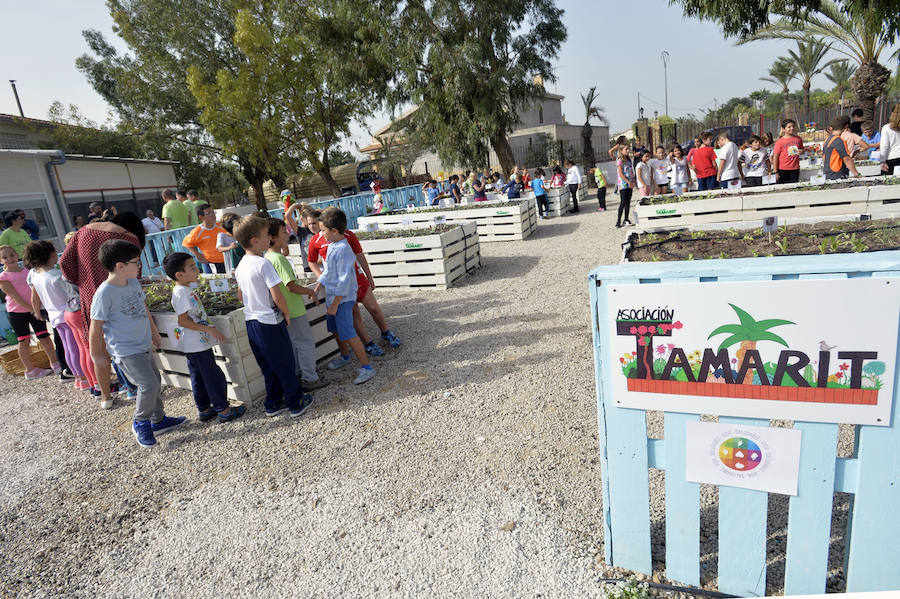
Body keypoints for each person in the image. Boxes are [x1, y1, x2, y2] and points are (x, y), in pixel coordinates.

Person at [90, 240, 185, 444]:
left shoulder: (132, 282)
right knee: (148, 384)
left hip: (143, 344)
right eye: (136, 262)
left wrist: (153, 332)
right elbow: (95, 327)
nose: (139, 266)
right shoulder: (104, 293)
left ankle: (157, 420)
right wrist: (96, 354)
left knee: (155, 381)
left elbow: (143, 308)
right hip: (125, 350)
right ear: (120, 266)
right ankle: (140, 422)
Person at [232, 215, 314, 417]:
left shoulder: (241, 265)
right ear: (255, 240)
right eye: (265, 235)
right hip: (270, 320)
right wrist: (286, 312)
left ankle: (273, 403)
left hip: (252, 321)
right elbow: (277, 295)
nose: (269, 238)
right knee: (285, 364)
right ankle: (296, 403)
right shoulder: (263, 264)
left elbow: (240, 294)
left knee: (268, 366)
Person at [59, 212, 146, 401]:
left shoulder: (83, 231)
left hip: (90, 297)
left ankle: (104, 395)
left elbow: (64, 264)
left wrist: (83, 282)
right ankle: (132, 387)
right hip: (120, 298)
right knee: (121, 345)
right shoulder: (128, 238)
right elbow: (135, 276)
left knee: (96, 350)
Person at [162, 252, 246, 423]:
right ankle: (224, 410)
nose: (197, 269)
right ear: (179, 275)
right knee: (213, 376)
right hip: (196, 344)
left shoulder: (184, 290)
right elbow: (183, 321)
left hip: (195, 344)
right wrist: (209, 329)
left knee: (199, 377)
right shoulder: (181, 293)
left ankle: (205, 409)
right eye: (192, 267)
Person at [307, 210, 401, 355]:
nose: (312, 226)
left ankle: (385, 332)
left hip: (357, 278)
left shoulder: (347, 235)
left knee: (373, 308)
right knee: (355, 314)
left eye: (315, 223)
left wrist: (369, 278)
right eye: (309, 224)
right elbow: (312, 262)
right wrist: (322, 279)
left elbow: (360, 256)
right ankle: (368, 343)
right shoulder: (316, 241)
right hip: (340, 284)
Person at [265, 218, 329, 391]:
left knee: (294, 345)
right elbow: (291, 286)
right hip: (294, 310)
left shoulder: (268, 257)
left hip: (284, 311)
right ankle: (310, 379)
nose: (288, 234)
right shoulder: (279, 259)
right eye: (284, 232)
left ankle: (299, 375)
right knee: (306, 344)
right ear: (272, 237)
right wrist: (310, 291)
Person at [313, 208, 375, 385]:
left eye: (323, 230)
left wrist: (334, 305)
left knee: (348, 333)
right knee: (335, 329)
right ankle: (345, 356)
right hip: (333, 298)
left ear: (333, 231)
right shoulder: (332, 246)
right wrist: (317, 288)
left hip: (342, 300)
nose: (320, 233)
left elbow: (344, 281)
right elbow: (328, 271)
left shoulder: (343, 250)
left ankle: (367, 368)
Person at [23, 240, 90, 391]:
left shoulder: (35, 276)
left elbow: (36, 298)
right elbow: (72, 294)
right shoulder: (57, 275)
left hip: (54, 316)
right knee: (76, 348)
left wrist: (37, 312)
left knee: (68, 348)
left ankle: (78, 378)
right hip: (67, 313)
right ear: (52, 255)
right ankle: (83, 377)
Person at [0, 244, 58, 380]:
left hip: (34, 310)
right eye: (5, 257)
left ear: (17, 255)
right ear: (1, 261)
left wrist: (36, 308)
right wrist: (32, 309)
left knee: (44, 337)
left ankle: (55, 363)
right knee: (24, 341)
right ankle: (30, 371)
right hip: (17, 313)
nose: (9, 259)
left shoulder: (28, 271)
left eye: (11, 255)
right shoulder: (3, 277)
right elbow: (15, 296)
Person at [61, 231, 98, 393]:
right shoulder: (81, 265)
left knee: (82, 348)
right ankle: (97, 384)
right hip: (80, 311)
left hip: (69, 310)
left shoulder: (66, 265)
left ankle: (88, 382)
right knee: (90, 349)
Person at [182, 204, 228, 273]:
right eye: (209, 213)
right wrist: (198, 255)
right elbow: (186, 243)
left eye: (213, 212)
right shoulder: (198, 231)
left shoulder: (220, 226)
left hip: (226, 261)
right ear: (201, 217)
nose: (213, 215)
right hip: (211, 263)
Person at [823, 116, 861, 180]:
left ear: (831, 128)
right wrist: (857, 174)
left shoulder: (827, 140)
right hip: (837, 174)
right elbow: (847, 159)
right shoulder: (839, 141)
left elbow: (824, 157)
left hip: (827, 174)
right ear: (845, 127)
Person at [772, 119, 805, 184]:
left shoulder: (798, 139)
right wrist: (775, 171)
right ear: (784, 129)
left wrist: (802, 151)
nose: (792, 128)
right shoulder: (780, 141)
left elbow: (802, 149)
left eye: (793, 126)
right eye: (789, 127)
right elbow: (775, 157)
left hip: (795, 169)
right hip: (782, 169)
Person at [615, 146, 636, 227]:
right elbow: (620, 174)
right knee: (623, 202)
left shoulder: (629, 160)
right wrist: (628, 182)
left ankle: (626, 219)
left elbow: (631, 171)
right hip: (623, 184)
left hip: (630, 183)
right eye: (626, 149)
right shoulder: (620, 161)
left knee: (628, 202)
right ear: (621, 150)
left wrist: (633, 181)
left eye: (628, 149)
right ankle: (618, 221)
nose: (628, 151)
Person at [879, 103, 900, 174]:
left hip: (892, 158)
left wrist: (882, 161)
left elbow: (884, 146)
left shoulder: (886, 128)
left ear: (892, 113)